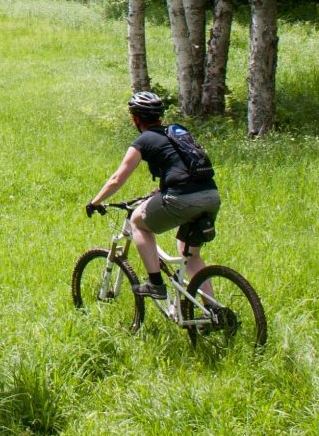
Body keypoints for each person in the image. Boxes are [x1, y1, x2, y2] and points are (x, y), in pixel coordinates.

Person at [85, 89, 220, 304]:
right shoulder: (178, 131)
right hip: (211, 195)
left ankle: (155, 284)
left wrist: (95, 202)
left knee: (138, 221)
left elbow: (117, 179)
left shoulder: (144, 140)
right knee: (190, 255)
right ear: (160, 116)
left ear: (135, 118)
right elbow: (182, 166)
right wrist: (161, 190)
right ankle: (214, 311)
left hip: (182, 198)